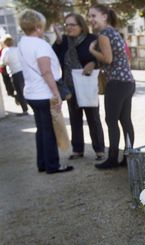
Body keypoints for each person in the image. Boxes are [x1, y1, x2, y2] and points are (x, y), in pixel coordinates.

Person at [17, 9, 73, 174]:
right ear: (37, 26)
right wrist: (56, 94)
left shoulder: (22, 42)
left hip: (31, 93)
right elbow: (46, 71)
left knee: (41, 129)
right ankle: (52, 165)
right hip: (44, 93)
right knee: (49, 129)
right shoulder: (40, 44)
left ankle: (42, 163)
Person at [88, 4, 135, 169]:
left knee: (111, 120)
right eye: (90, 16)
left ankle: (112, 158)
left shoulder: (104, 34)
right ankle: (129, 157)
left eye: (94, 16)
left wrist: (92, 51)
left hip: (115, 82)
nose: (91, 20)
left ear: (104, 16)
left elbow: (108, 59)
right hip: (128, 81)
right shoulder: (115, 32)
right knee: (125, 120)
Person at [52, 13, 105, 161]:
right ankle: (78, 149)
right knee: (75, 119)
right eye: (66, 25)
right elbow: (53, 58)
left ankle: (100, 149)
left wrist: (94, 63)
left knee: (93, 118)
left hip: (87, 84)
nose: (68, 27)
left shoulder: (91, 39)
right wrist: (57, 41)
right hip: (69, 85)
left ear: (81, 26)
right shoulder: (63, 42)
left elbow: (102, 57)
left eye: (72, 24)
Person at [0, 35, 29, 115]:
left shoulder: (6, 51)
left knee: (19, 92)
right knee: (25, 90)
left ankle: (25, 109)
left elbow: (2, 63)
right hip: (22, 71)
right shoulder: (17, 49)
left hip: (14, 73)